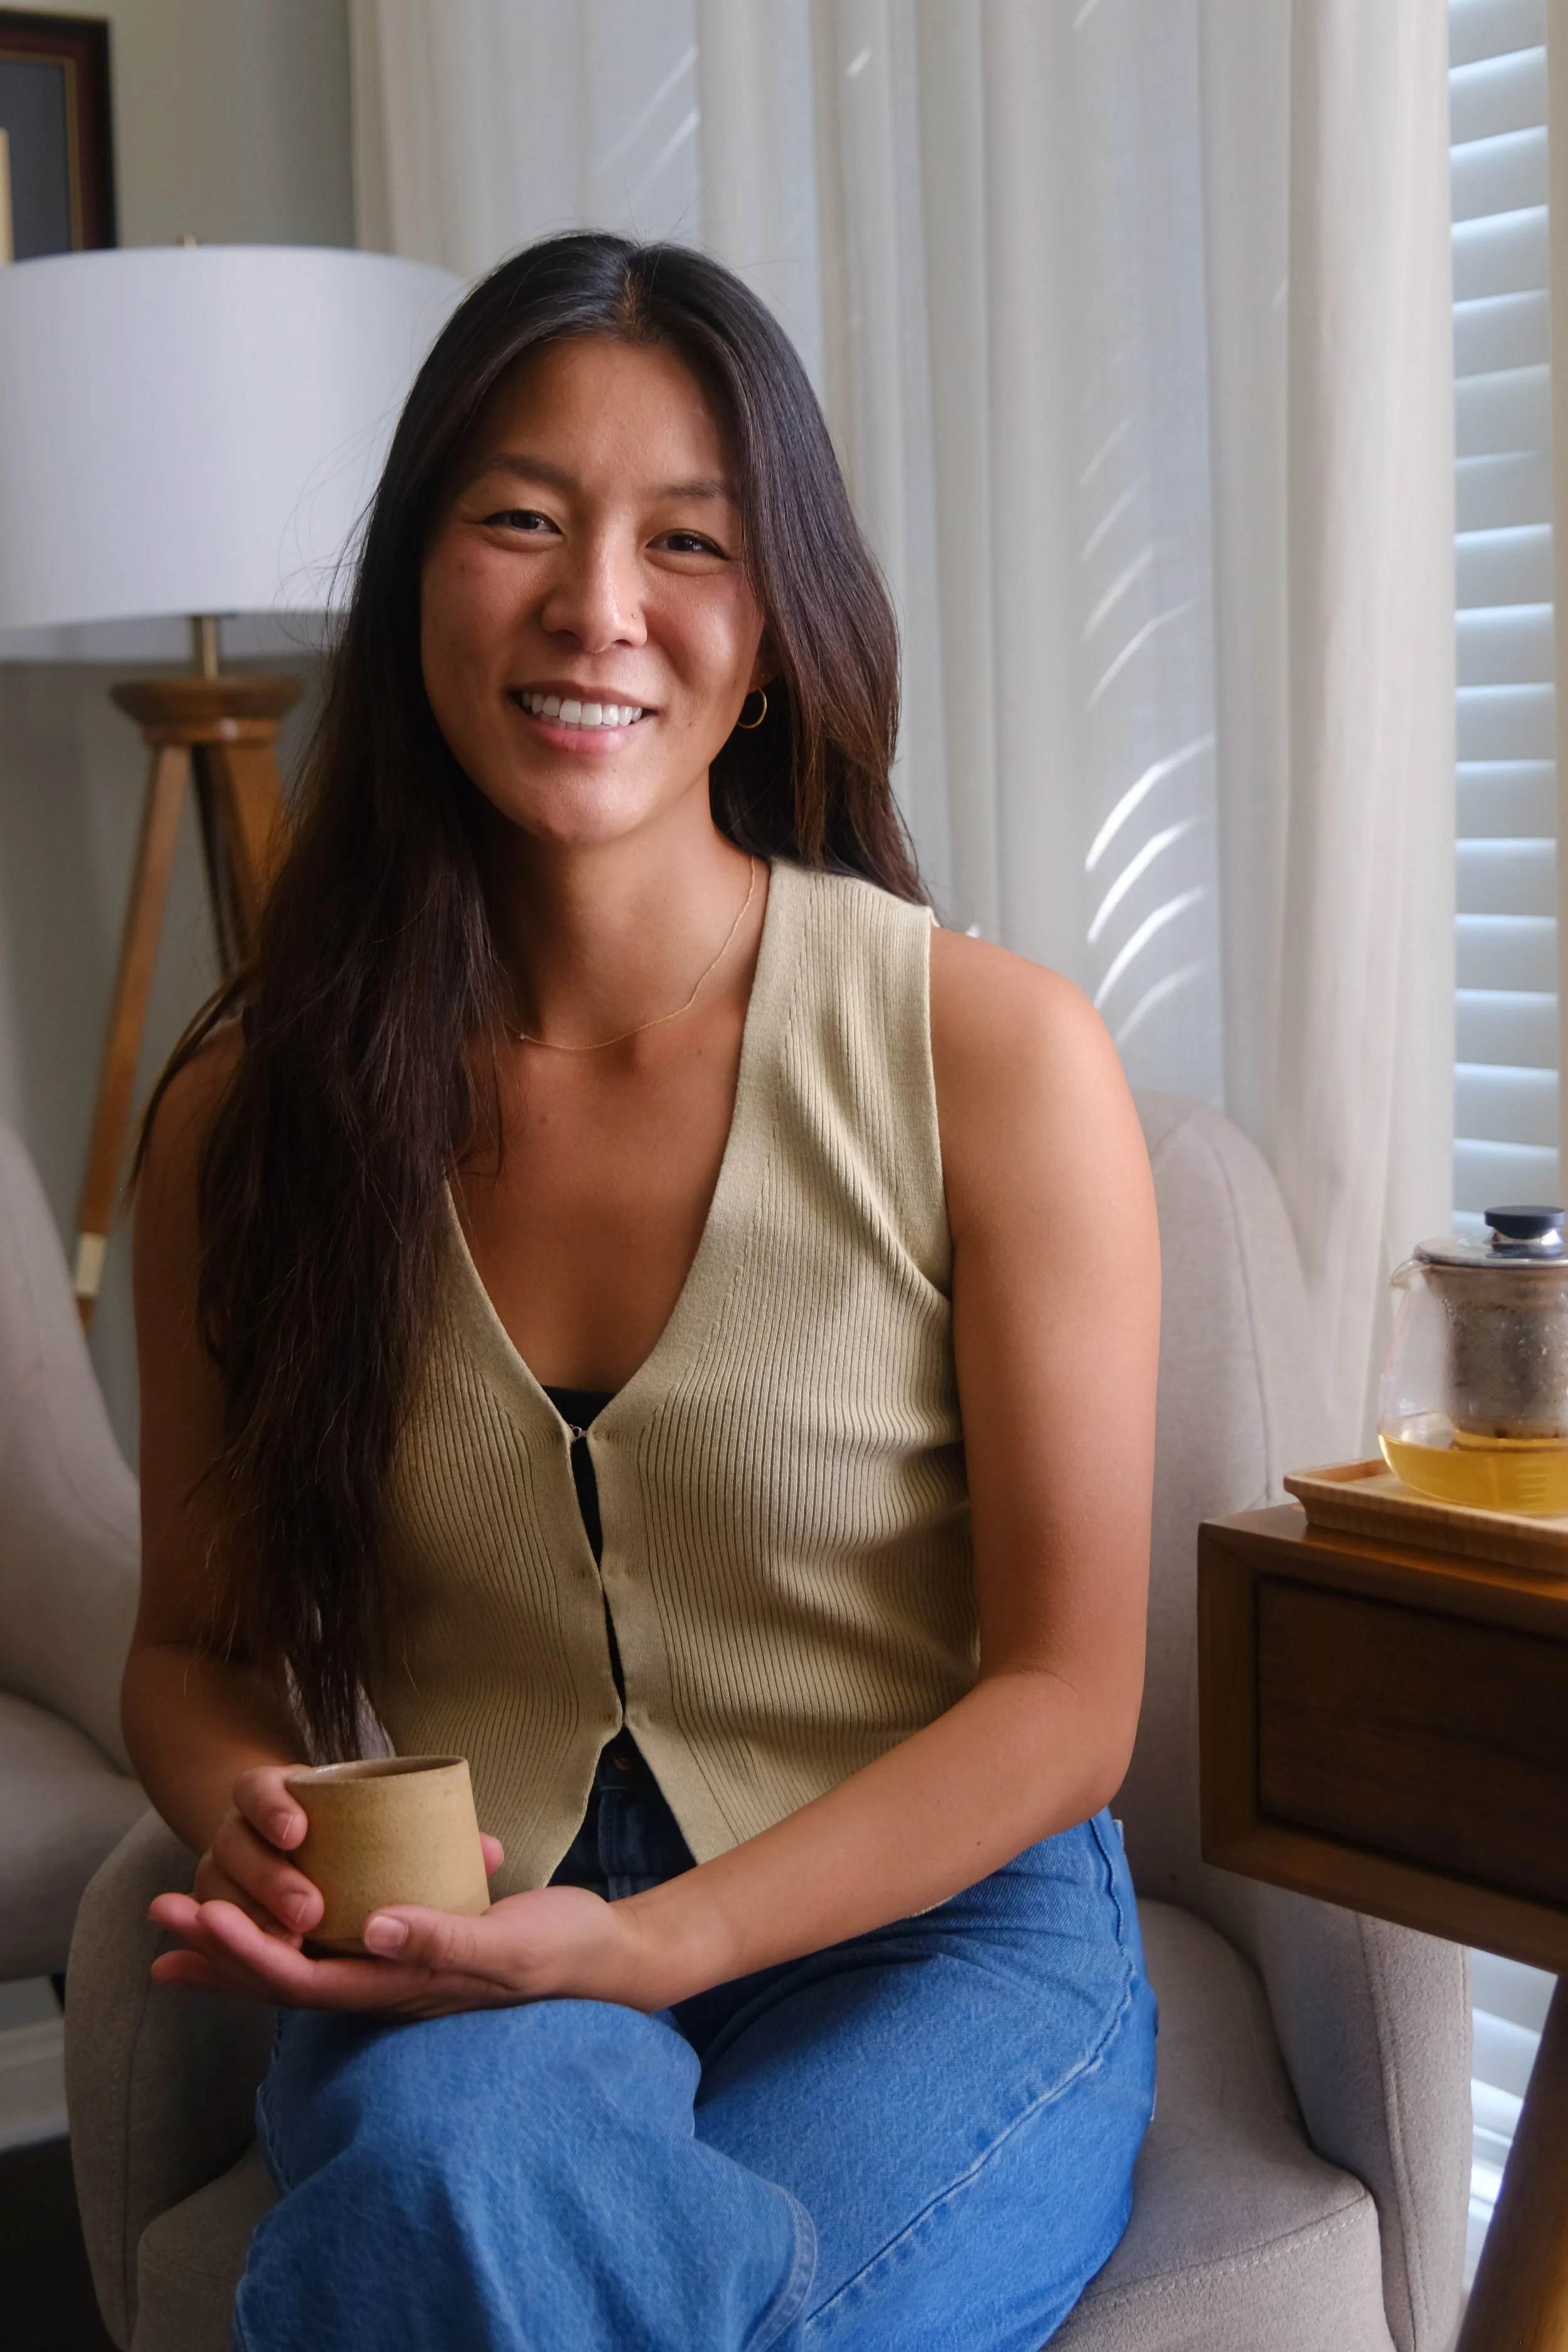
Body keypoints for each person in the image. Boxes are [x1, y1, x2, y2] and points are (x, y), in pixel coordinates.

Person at [125, 231, 1161, 2352]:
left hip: (933, 1940)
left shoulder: (991, 1056)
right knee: (457, 2172)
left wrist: (668, 1941)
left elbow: (1069, 1695)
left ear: (773, 622)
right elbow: (191, 1651)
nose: (595, 605)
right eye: (520, 518)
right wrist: (255, 1812)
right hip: (473, 1948)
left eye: (684, 540)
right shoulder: (244, 1120)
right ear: (418, 570)